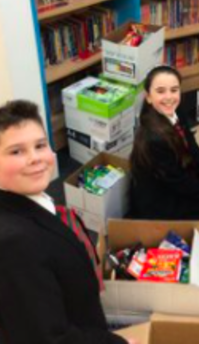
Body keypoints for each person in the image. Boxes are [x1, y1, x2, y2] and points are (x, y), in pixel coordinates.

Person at [0, 100, 135, 344]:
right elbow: (48, 338)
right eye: (16, 151)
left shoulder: (31, 202)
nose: (35, 158)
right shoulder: (13, 243)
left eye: (40, 145)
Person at [129, 66, 199, 220]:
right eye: (161, 91)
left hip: (175, 171)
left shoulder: (176, 111)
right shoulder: (153, 138)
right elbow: (177, 180)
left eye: (174, 90)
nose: (169, 97)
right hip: (159, 192)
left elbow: (194, 149)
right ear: (148, 97)